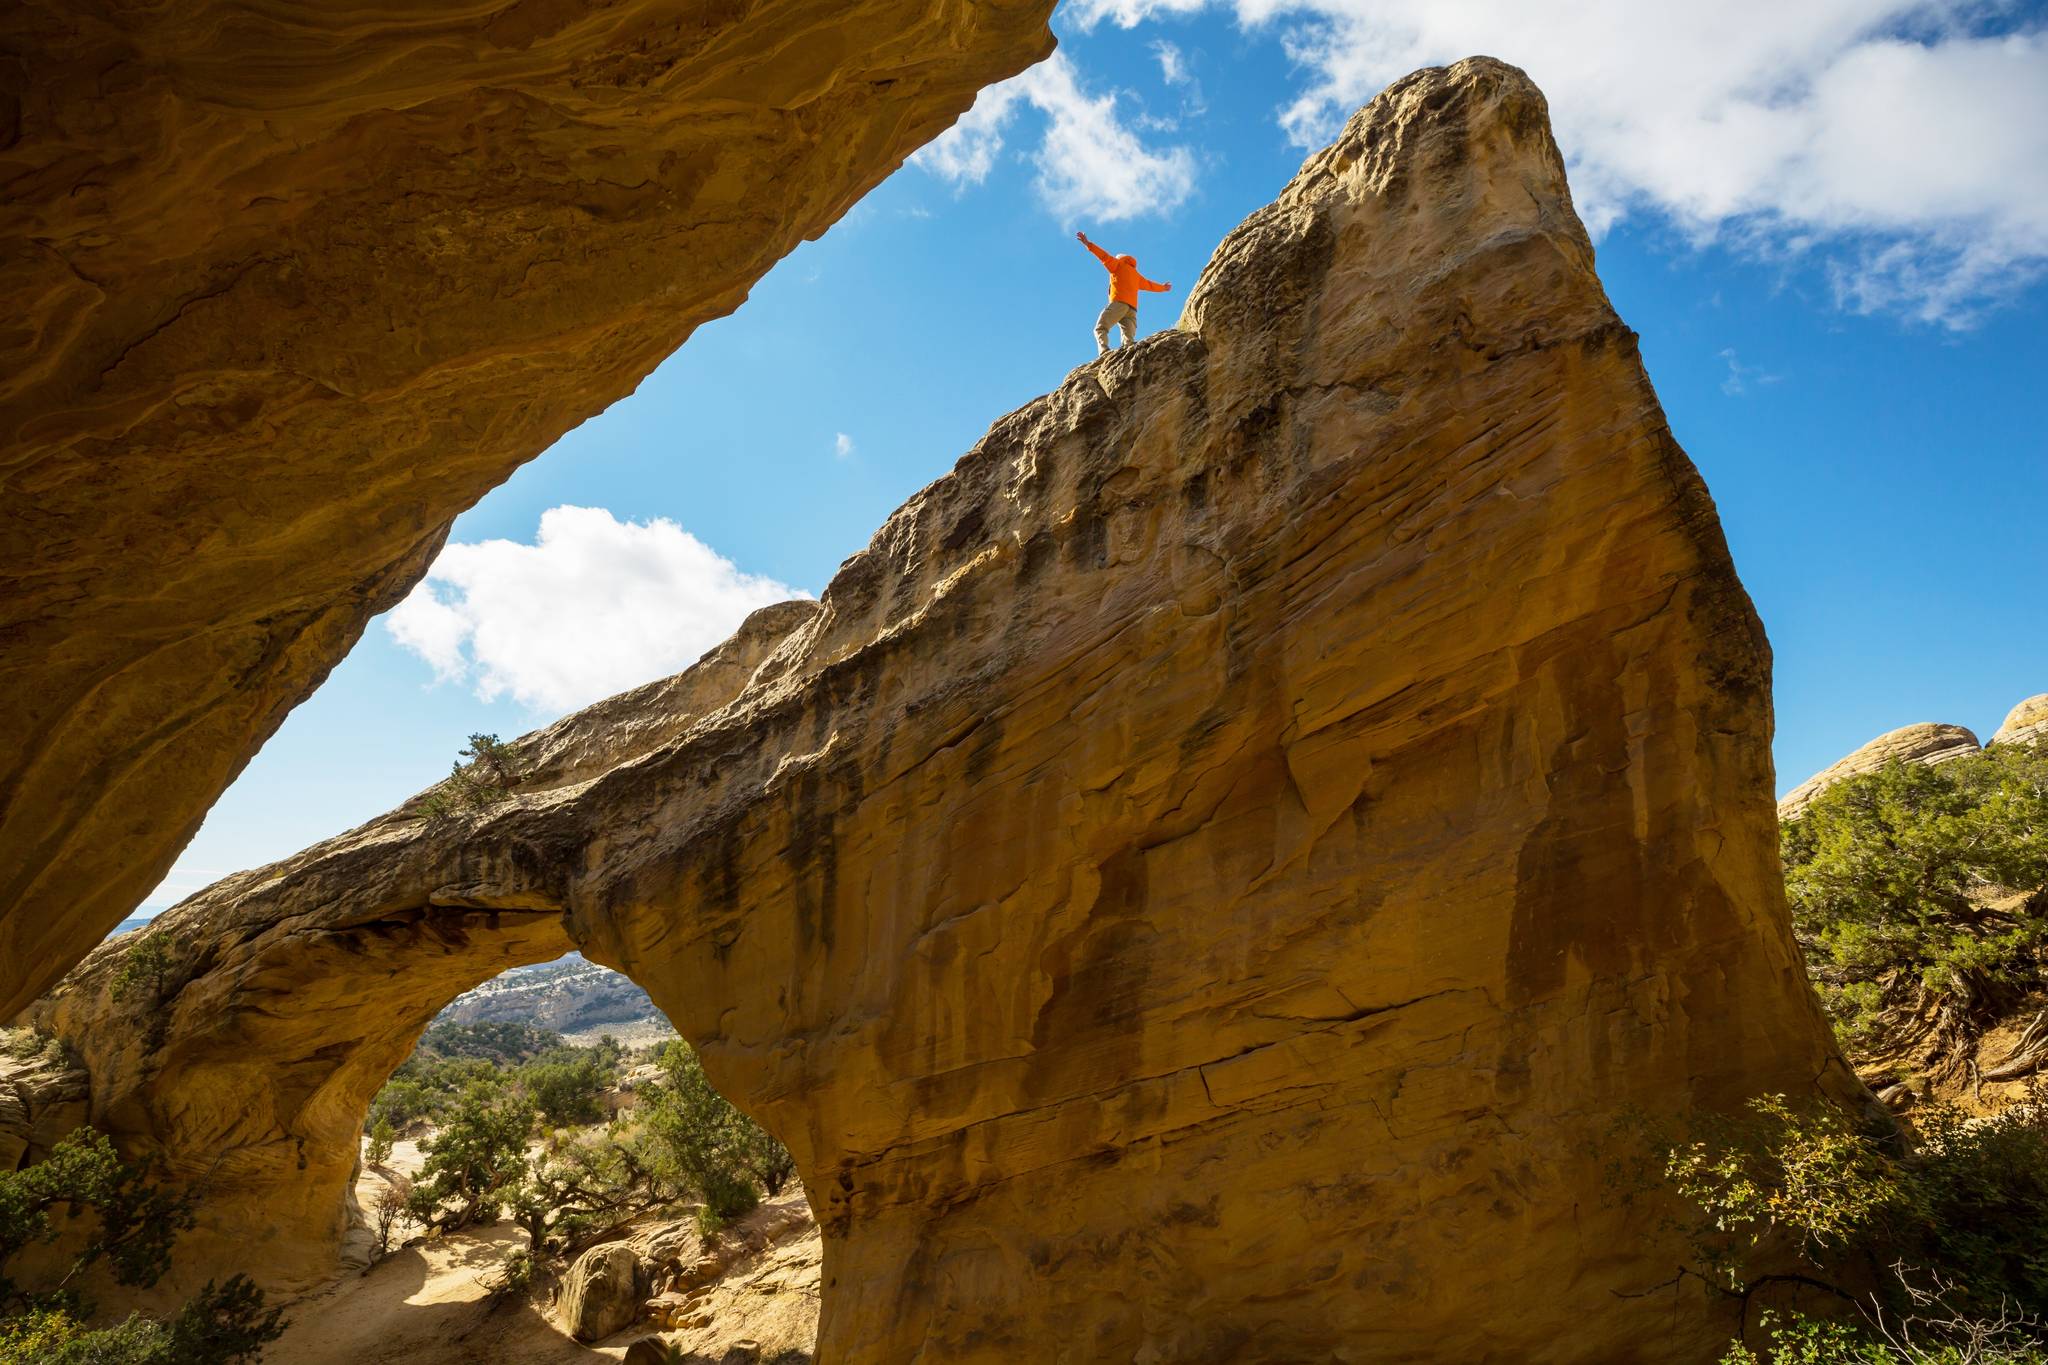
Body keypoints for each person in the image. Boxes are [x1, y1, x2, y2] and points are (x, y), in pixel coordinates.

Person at [1076, 231, 1171, 356]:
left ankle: (1104, 352)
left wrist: (1088, 244)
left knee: (1100, 328)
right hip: (1132, 310)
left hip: (1119, 304)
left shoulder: (1118, 264)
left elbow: (1104, 256)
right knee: (1129, 344)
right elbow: (1149, 285)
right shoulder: (1135, 274)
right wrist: (1163, 288)